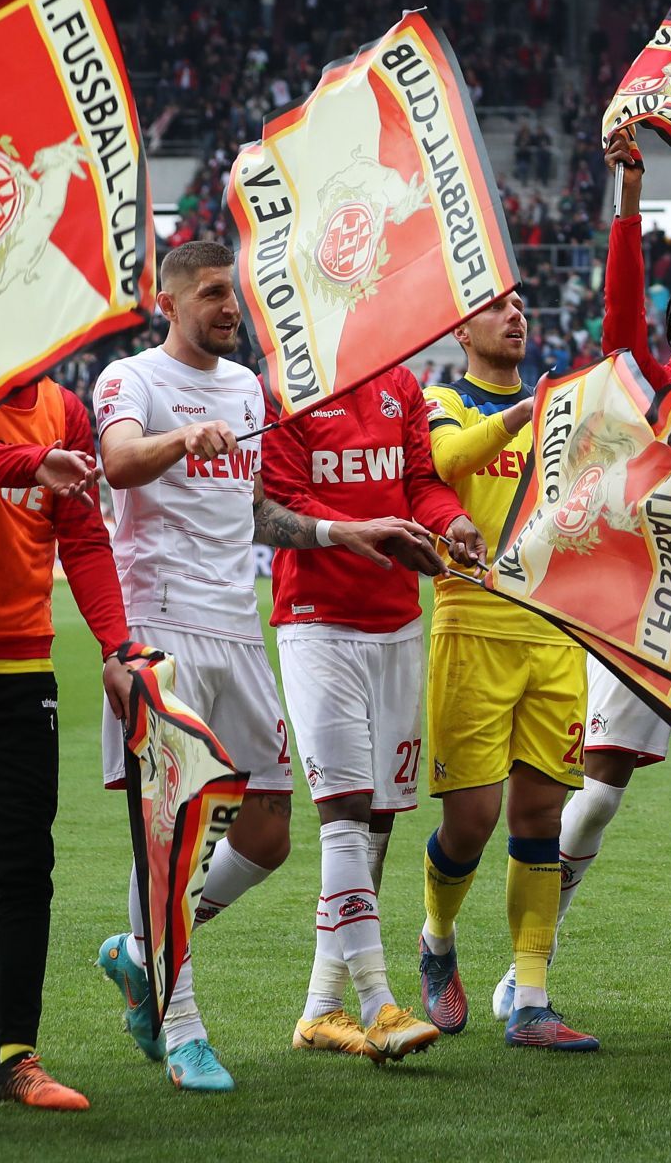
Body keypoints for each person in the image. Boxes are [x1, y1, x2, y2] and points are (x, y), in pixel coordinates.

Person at [93, 241, 436, 1092]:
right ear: (167, 302)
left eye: (231, 296)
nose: (228, 309)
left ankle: (143, 948)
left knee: (272, 826)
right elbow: (120, 461)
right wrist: (181, 438)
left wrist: (341, 534)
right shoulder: (128, 378)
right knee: (168, 829)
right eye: (211, 295)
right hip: (159, 628)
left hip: (237, 631)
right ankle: (182, 1031)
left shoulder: (249, 388)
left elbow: (253, 512)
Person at [496, 127, 671, 1025]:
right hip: (637, 626)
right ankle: (525, 968)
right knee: (595, 804)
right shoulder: (654, 387)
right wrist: (628, 196)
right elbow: (620, 317)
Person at [263, 364, 485, 1062]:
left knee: (380, 819)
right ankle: (377, 1003)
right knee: (346, 812)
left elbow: (419, 481)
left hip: (396, 625)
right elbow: (279, 504)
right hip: (316, 621)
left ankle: (318, 1011)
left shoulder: (400, 384)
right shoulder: (285, 387)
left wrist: (453, 522)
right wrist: (359, 532)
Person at [417, 291, 598, 1052]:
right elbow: (446, 461)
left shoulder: (561, 414)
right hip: (474, 624)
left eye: (523, 307)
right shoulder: (440, 399)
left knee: (540, 819)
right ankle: (437, 937)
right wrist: (526, 416)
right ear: (461, 328)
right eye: (497, 308)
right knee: (472, 820)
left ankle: (531, 998)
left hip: (557, 631)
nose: (516, 316)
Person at [0, 379, 130, 1110]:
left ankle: (15, 1057)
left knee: (25, 866)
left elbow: (86, 540)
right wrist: (31, 463)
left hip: (18, 670)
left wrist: (118, 646)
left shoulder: (63, 409)